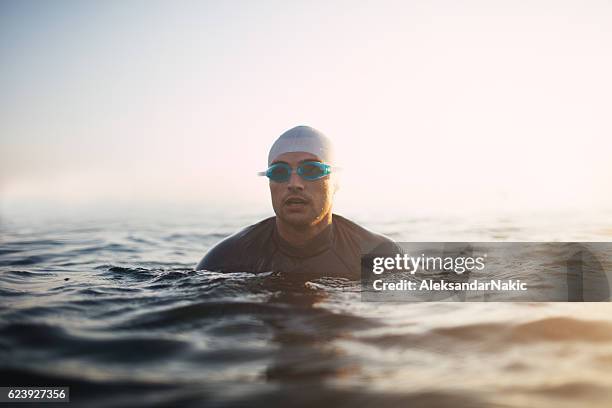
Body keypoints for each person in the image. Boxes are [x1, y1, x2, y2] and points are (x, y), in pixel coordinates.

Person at [195, 125, 398, 279]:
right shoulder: (227, 259)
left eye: (311, 170)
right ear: (269, 183)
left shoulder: (377, 254)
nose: (294, 184)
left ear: (336, 182)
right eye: (280, 172)